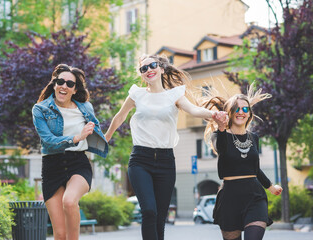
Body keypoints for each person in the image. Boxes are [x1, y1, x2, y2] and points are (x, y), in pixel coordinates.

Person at [105, 54, 221, 240]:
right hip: (140, 160)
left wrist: (213, 115)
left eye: (152, 66)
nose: (148, 70)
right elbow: (119, 117)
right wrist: (106, 137)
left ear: (161, 68)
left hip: (166, 161)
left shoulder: (174, 95)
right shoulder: (137, 94)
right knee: (149, 211)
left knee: (160, 217)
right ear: (141, 74)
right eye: (144, 68)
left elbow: (194, 110)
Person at [32, 64, 108, 240]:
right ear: (54, 84)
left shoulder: (86, 107)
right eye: (60, 81)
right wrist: (77, 137)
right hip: (52, 166)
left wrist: (100, 137)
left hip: (78, 164)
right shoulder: (41, 109)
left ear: (75, 89)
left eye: (69, 84)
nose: (64, 86)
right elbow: (48, 141)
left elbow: (96, 131)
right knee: (60, 233)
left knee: (69, 200)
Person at [203, 85, 283, 240]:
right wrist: (220, 127)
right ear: (229, 113)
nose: (241, 112)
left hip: (254, 196)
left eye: (245, 109)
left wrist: (271, 187)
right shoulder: (219, 136)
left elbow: (255, 169)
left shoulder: (254, 137)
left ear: (250, 113)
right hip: (229, 199)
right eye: (237, 109)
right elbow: (221, 149)